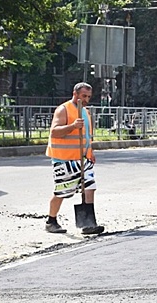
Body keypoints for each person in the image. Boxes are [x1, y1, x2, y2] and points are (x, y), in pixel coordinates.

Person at [45, 82, 104, 235]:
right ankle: (51, 221)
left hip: (83, 159)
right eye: (84, 96)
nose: (86, 99)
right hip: (64, 160)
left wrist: (90, 152)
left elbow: (86, 136)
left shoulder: (86, 112)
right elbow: (54, 132)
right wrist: (72, 126)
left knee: (90, 187)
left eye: (89, 97)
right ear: (75, 94)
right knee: (63, 191)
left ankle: (88, 224)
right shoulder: (63, 109)